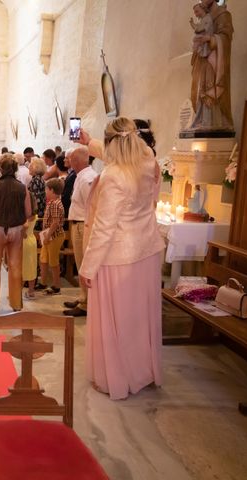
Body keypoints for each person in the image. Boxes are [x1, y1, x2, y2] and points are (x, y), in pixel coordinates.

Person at [78, 117, 165, 400]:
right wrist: (88, 142)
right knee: (140, 317)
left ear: (113, 143)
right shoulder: (148, 159)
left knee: (118, 320)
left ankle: (116, 377)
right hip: (147, 250)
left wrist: (87, 267)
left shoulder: (114, 176)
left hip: (117, 257)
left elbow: (104, 227)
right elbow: (118, 153)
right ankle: (143, 372)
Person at [0, 153, 31, 313]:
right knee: (15, 266)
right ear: (16, 169)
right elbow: (29, 211)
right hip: (17, 229)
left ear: (0, 169)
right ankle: (16, 303)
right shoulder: (22, 187)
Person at [189, 0, 234, 132]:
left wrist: (210, 39)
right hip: (202, 58)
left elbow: (226, 38)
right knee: (200, 89)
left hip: (214, 61)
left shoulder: (223, 14)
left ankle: (213, 121)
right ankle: (201, 119)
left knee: (210, 88)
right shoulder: (204, 17)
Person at [63, 146, 97, 318]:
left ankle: (86, 304)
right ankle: (83, 297)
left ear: (80, 160)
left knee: (84, 264)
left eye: (72, 159)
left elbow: (91, 206)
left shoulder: (87, 178)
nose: (69, 162)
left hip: (83, 225)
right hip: (77, 223)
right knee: (80, 263)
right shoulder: (81, 176)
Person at [37, 178, 65, 295]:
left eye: (46, 189)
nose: (45, 191)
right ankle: (43, 282)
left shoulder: (55, 203)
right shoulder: (53, 202)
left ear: (52, 190)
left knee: (53, 261)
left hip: (54, 235)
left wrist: (48, 235)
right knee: (43, 259)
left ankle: (56, 285)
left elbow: (55, 222)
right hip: (48, 235)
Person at [22, 193, 39, 299]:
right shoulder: (34, 215)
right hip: (32, 240)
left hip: (24, 241)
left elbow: (24, 227)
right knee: (32, 266)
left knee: (21, 267)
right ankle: (31, 291)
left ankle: (16, 291)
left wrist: (22, 232)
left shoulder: (24, 216)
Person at [27, 156, 47, 231]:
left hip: (36, 212)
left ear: (36, 168)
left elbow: (35, 199)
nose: (29, 167)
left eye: (31, 165)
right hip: (41, 210)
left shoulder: (35, 180)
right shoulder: (40, 179)